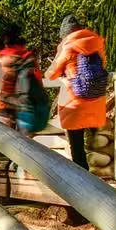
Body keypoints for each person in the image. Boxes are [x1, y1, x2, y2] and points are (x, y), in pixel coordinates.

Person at [45, 15, 108, 170]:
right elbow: (103, 66)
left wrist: (57, 65)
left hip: (74, 101)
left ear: (66, 34)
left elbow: (51, 74)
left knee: (76, 146)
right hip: (95, 98)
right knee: (93, 139)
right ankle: (93, 172)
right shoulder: (97, 44)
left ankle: (82, 178)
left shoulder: (67, 47)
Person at [0, 25, 48, 137]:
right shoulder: (27, 59)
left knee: (10, 138)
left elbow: (24, 95)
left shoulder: (11, 59)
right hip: (22, 107)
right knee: (20, 138)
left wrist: (2, 97)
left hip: (17, 107)